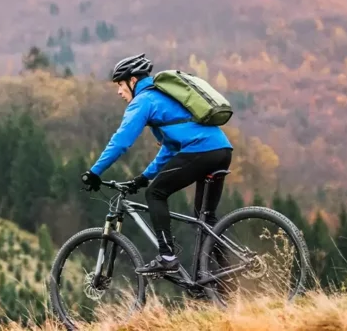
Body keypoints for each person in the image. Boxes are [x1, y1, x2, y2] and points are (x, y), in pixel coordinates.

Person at [80, 53, 233, 276]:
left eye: (121, 85)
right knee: (205, 220)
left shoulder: (144, 101)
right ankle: (224, 280)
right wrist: (143, 177)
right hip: (221, 150)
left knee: (156, 194)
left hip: (201, 150)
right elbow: (170, 148)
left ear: (133, 81)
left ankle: (167, 257)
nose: (119, 92)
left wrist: (95, 172)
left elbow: (121, 141)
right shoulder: (163, 97)